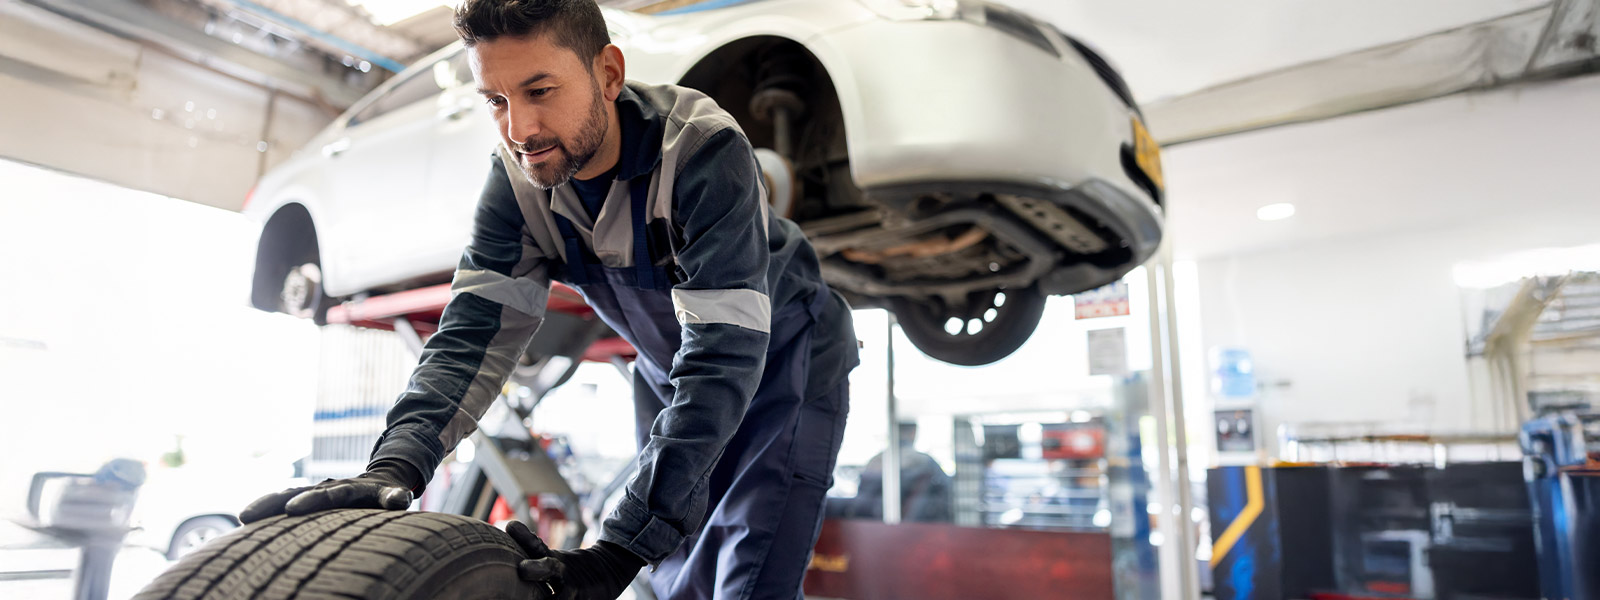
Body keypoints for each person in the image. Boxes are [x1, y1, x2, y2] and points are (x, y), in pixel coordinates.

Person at [238, 1, 859, 598]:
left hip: (787, 364)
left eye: (540, 91)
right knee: (674, 583)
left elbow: (724, 355)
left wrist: (618, 547)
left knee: (748, 579)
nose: (519, 129)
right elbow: (471, 338)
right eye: (497, 100)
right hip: (671, 373)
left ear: (608, 74)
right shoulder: (518, 180)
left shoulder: (698, 151)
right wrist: (395, 466)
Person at [830, 422, 953, 523]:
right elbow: (946, 493)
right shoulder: (925, 461)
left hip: (873, 528)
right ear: (913, 433)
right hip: (917, 529)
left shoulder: (876, 460)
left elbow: (862, 497)